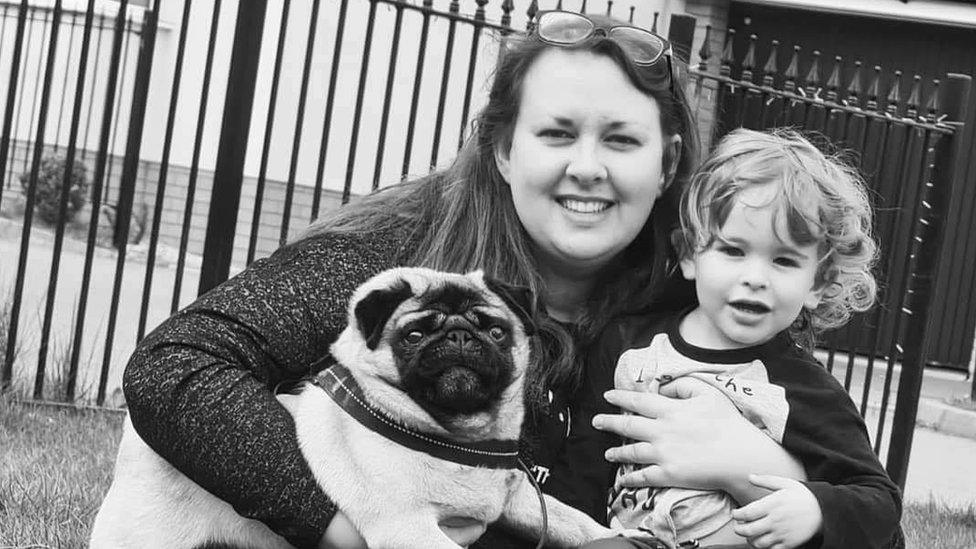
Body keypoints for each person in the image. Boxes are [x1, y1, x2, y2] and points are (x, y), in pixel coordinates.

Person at [123, 11, 818, 549]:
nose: (587, 165)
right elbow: (173, 366)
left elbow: (864, 509)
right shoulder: (397, 258)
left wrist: (765, 464)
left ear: (666, 164)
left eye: (620, 139)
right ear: (504, 150)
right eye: (556, 133)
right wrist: (339, 519)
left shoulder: (701, 308)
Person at [587, 129, 901, 549]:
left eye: (784, 260)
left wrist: (814, 509)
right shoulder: (626, 345)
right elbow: (583, 466)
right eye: (733, 250)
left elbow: (878, 501)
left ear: (818, 283)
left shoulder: (805, 390)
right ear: (688, 254)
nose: (754, 278)